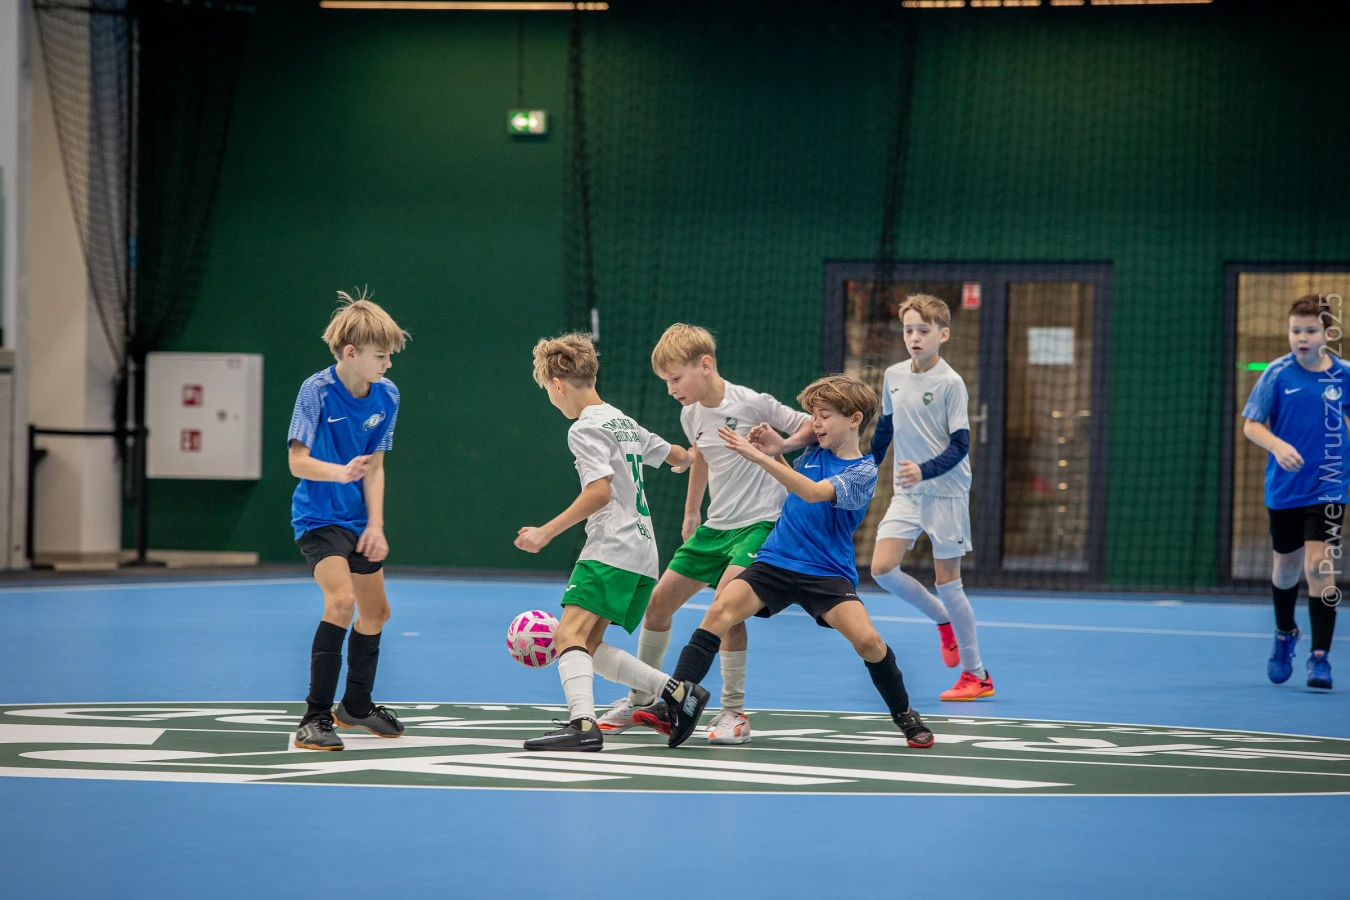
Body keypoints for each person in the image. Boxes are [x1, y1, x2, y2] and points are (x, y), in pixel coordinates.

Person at [640, 374, 934, 750]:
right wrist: (775, 449)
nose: (816, 424)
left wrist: (759, 456)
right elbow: (794, 481)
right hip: (777, 561)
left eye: (825, 416)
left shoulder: (863, 471)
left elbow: (811, 493)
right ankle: (676, 702)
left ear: (855, 419)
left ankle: (905, 713)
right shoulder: (812, 453)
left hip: (826, 573)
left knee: (869, 642)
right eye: (814, 416)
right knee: (719, 612)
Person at [599, 324, 814, 745]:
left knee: (727, 608)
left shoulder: (751, 402)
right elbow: (701, 457)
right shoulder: (691, 413)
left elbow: (808, 425)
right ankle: (642, 697)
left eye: (676, 379)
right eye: (666, 382)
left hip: (760, 523)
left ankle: (734, 712)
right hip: (715, 527)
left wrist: (780, 445)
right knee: (657, 605)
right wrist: (692, 512)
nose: (671, 389)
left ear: (705, 364)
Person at [515, 332, 707, 751]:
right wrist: (690, 457)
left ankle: (583, 725)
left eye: (548, 391)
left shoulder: (583, 428)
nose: (552, 399)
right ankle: (679, 693)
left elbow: (598, 492)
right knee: (588, 644)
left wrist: (546, 531)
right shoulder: (621, 420)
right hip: (643, 551)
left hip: (611, 546)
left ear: (557, 384)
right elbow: (676, 454)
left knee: (567, 635)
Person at [289, 289, 409, 750]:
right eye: (381, 356)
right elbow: (297, 462)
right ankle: (314, 717)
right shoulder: (316, 391)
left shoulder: (388, 395)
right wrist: (339, 473)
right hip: (319, 517)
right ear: (351, 353)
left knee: (376, 613)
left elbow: (376, 467)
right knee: (341, 603)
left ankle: (356, 705)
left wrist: (376, 525)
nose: (388, 364)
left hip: (359, 522)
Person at [867, 294, 993, 702]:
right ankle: (941, 619)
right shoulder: (893, 375)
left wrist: (924, 469)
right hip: (908, 491)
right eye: (909, 330)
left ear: (944, 334)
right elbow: (885, 429)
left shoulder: (950, 383)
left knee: (948, 583)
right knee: (882, 569)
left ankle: (977, 675)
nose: (915, 337)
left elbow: (960, 446)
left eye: (923, 330)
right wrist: (868, 466)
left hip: (946, 492)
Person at [1242, 293, 1346, 690]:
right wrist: (1278, 446)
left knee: (1319, 566)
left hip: (1329, 486)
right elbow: (1252, 424)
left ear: (1328, 334)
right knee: (1286, 567)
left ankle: (1320, 657)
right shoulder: (1276, 374)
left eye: (1310, 331)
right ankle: (1285, 632)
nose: (1302, 338)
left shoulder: (1344, 375)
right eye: (1295, 330)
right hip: (1285, 488)